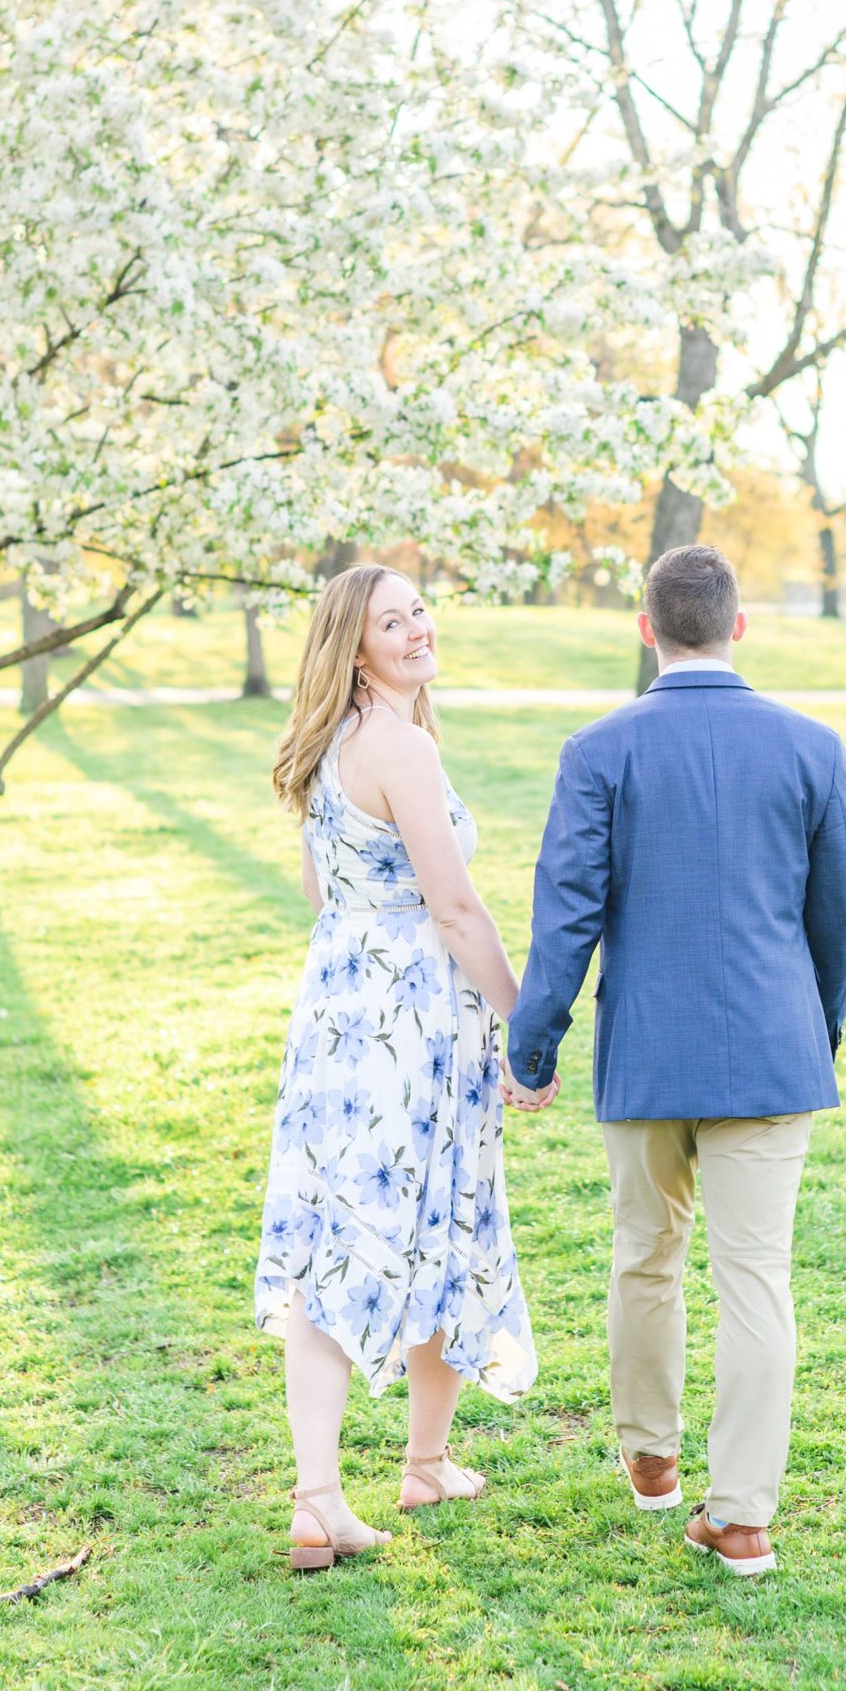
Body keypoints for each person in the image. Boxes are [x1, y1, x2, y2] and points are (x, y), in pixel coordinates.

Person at [504, 542, 846, 1578]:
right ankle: (741, 1514)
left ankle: (651, 1458)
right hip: (770, 1050)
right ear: (737, 625)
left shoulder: (599, 748)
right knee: (755, 1277)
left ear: (645, 628)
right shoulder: (811, 746)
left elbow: (563, 914)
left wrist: (534, 1046)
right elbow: (839, 923)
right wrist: (817, 1026)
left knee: (642, 1254)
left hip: (648, 1052)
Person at [257, 565, 542, 1573]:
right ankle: (317, 1498)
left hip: (337, 1007)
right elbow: (456, 908)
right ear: (356, 645)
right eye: (393, 620)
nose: (418, 627)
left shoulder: (326, 745)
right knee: (390, 1232)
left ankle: (421, 1462)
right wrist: (527, 1020)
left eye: (419, 609)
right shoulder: (399, 746)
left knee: (388, 1223)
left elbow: (315, 884)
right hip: (411, 1020)